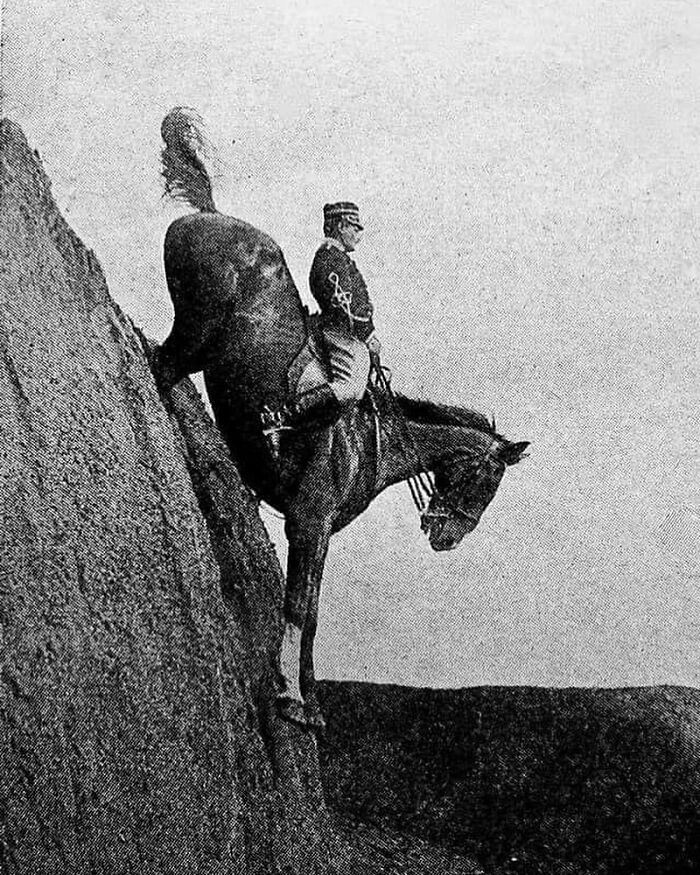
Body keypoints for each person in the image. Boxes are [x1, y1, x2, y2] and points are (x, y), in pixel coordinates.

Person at [262, 202, 381, 457]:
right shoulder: (329, 258)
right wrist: (369, 334)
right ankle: (281, 416)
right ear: (340, 226)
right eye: (354, 227)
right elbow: (345, 307)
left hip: (350, 334)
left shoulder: (340, 258)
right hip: (339, 332)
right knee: (349, 389)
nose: (359, 234)